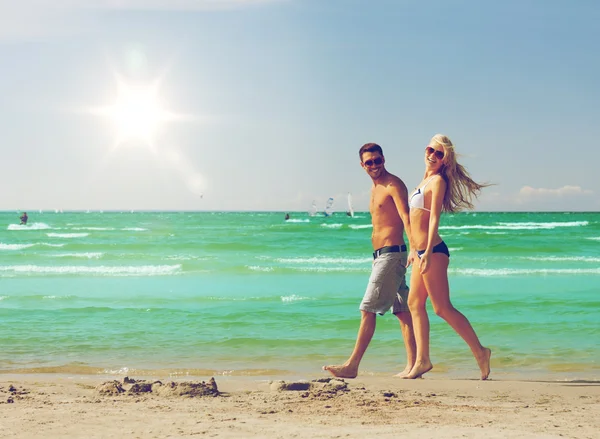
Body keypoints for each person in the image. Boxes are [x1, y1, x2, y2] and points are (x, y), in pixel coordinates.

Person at [323, 143, 416, 378]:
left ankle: (352, 365)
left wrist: (415, 247)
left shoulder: (393, 185)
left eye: (377, 160)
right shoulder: (374, 189)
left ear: (384, 159)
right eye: (369, 162)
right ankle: (415, 365)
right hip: (381, 256)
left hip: (392, 254)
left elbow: (406, 217)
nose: (374, 165)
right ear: (362, 165)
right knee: (402, 310)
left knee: (367, 309)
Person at [405, 134, 491, 380]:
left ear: (445, 160)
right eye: (430, 149)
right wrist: (414, 248)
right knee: (414, 304)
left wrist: (429, 251)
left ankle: (480, 352)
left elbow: (433, 219)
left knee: (441, 308)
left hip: (434, 251)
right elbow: (413, 219)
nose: (432, 155)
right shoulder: (424, 181)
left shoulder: (438, 182)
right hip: (420, 251)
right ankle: (422, 361)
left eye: (439, 153)